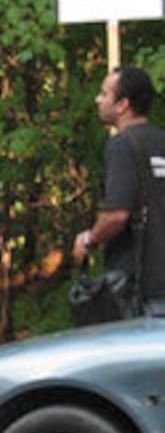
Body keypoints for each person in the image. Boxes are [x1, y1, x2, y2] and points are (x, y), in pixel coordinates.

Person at [72, 66, 165, 310]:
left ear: (123, 104)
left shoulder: (122, 147)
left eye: (104, 94)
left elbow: (116, 215)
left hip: (142, 288)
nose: (98, 99)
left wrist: (89, 240)